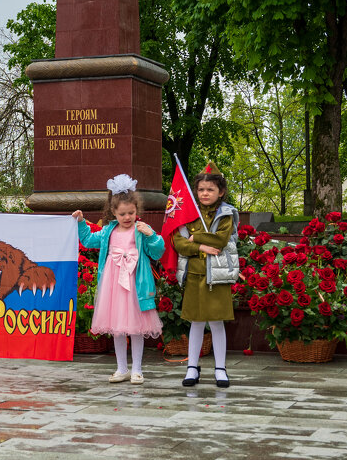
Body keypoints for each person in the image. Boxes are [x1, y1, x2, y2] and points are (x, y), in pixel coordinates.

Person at [72, 175, 165, 384]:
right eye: (122, 213)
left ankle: (137, 370)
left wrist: (152, 235)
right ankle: (122, 368)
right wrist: (80, 222)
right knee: (118, 327)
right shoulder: (108, 232)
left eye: (131, 213)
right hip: (113, 286)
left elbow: (158, 252)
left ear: (137, 210)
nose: (127, 217)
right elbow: (88, 240)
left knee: (137, 328)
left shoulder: (141, 231)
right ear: (113, 212)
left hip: (135, 285)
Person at [171, 165, 238, 388]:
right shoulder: (188, 213)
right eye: (201, 189)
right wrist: (200, 247)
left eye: (210, 189)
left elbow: (220, 240)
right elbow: (178, 242)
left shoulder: (227, 213)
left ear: (221, 192)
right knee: (196, 322)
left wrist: (195, 237)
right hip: (195, 274)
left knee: (217, 322)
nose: (205, 193)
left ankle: (220, 368)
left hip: (217, 276)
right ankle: (192, 367)